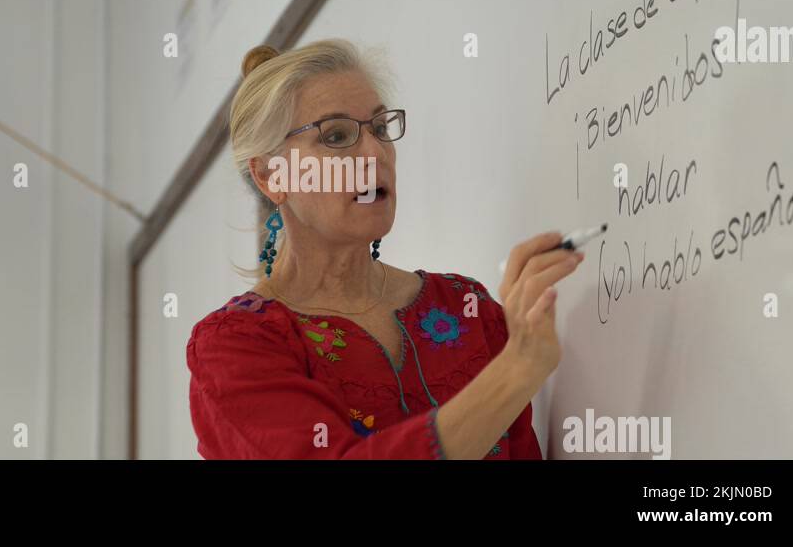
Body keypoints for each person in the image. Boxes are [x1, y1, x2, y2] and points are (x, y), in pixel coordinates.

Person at [186, 39, 584, 459]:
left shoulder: (466, 308)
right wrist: (515, 369)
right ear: (271, 177)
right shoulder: (234, 348)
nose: (375, 153)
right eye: (336, 135)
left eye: (379, 129)